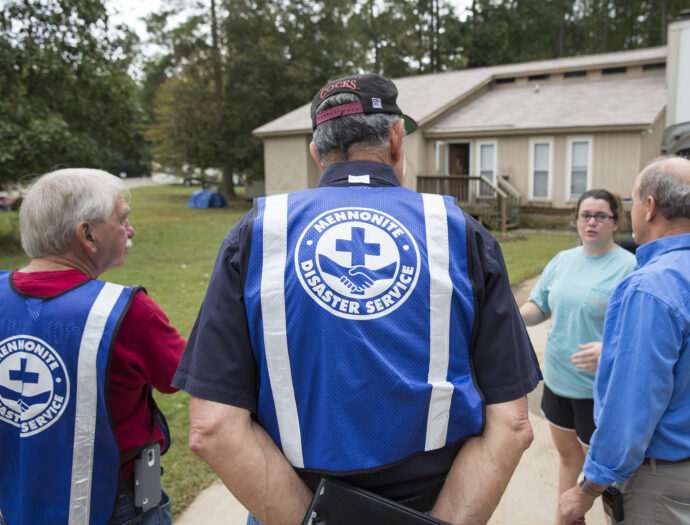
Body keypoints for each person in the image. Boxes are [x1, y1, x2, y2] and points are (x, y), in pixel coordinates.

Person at [173, 73, 541, 525]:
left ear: (316, 152)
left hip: (290, 505)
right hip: (431, 505)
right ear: (396, 138)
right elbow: (512, 423)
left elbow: (213, 427)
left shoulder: (258, 234)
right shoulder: (459, 233)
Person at [0, 169, 185, 525]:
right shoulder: (127, 311)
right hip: (115, 507)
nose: (131, 230)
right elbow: (182, 375)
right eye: (122, 219)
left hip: (16, 502)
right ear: (87, 234)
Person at [560, 155, 690, 524]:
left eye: (633, 202)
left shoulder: (651, 287)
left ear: (649, 207)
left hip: (663, 479)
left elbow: (632, 404)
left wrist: (588, 489)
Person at [519, 189, 635, 523]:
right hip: (558, 383)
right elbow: (540, 305)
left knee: (605, 479)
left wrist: (610, 352)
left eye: (601, 216)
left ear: (616, 222)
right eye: (585, 215)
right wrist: (511, 316)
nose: (592, 222)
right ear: (576, 220)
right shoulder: (562, 260)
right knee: (569, 460)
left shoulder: (629, 269)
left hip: (597, 394)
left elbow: (641, 333)